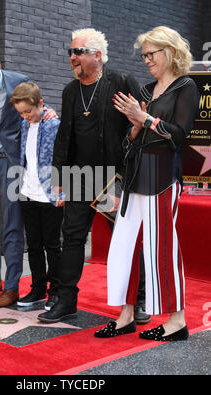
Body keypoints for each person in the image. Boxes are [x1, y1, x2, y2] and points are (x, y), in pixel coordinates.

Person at [94, 26, 200, 341]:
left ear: (169, 51)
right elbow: (129, 138)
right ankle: (126, 315)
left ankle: (176, 321)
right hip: (134, 174)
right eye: (144, 56)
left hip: (163, 175)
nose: (147, 60)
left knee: (161, 249)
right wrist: (136, 126)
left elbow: (179, 134)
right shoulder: (146, 89)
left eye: (150, 54)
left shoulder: (186, 86)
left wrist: (145, 120)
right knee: (122, 247)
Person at [38, 28, 144, 323]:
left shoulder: (121, 82)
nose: (72, 58)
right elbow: (64, 135)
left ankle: (138, 300)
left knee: (123, 240)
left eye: (77, 52)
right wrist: (58, 175)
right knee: (71, 239)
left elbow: (140, 123)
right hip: (77, 176)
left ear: (97, 55)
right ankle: (66, 300)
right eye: (70, 52)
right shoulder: (70, 90)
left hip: (113, 177)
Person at [0, 45, 57, 308]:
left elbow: (35, 103)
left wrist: (49, 111)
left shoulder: (18, 80)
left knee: (13, 226)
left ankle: (12, 286)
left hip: (12, 163)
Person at [10, 82, 64, 311]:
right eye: (21, 112)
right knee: (33, 244)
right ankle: (38, 288)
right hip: (28, 192)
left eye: (28, 111)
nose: (25, 116)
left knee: (52, 245)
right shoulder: (25, 124)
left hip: (50, 194)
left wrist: (65, 189)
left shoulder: (53, 124)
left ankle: (56, 292)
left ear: (40, 104)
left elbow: (64, 156)